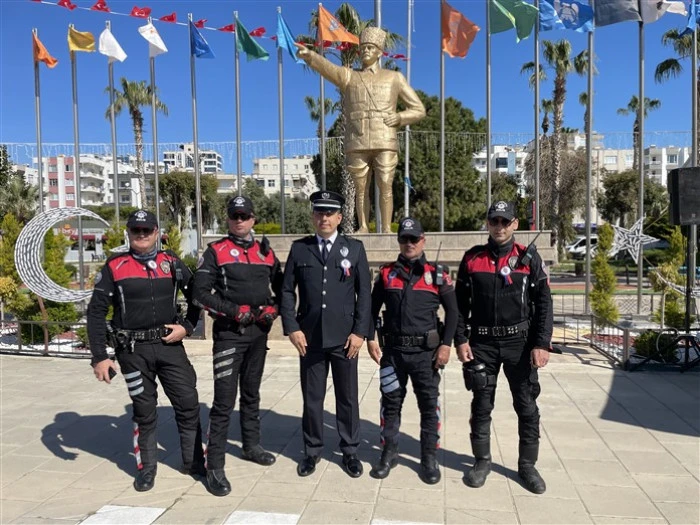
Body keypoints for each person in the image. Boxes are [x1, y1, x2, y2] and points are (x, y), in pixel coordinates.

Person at [87, 209, 204, 492]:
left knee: (188, 403)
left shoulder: (171, 263)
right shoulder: (115, 266)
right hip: (133, 351)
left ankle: (194, 463)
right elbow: (96, 312)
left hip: (169, 346)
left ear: (156, 233)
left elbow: (197, 296)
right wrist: (100, 357)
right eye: (136, 230)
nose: (141, 235)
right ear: (128, 233)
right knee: (144, 411)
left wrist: (187, 327)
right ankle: (147, 469)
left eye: (146, 230)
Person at [454, 201, 553, 494]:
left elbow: (544, 303)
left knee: (527, 406)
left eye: (504, 221)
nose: (499, 227)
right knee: (481, 405)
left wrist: (541, 343)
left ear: (515, 224)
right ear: (487, 223)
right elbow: (459, 305)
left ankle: (527, 466)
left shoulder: (527, 258)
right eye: (494, 221)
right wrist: (460, 339)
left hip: (519, 345)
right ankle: (481, 461)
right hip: (482, 344)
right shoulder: (472, 258)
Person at [192, 196, 283, 497]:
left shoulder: (265, 252)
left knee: (252, 394)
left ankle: (251, 445)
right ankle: (214, 466)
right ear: (228, 219)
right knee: (223, 401)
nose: (239, 221)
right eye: (234, 216)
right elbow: (200, 293)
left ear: (253, 219)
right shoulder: (215, 251)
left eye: (244, 216)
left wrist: (274, 309)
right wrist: (233, 311)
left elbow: (283, 289)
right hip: (230, 335)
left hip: (258, 333)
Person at [295, 27, 425, 233]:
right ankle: (363, 226)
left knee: (385, 184)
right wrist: (310, 56)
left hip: (385, 138)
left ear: (379, 52)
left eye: (370, 47)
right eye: (363, 47)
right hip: (357, 139)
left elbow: (419, 110)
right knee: (360, 187)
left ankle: (386, 228)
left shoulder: (394, 77)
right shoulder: (349, 75)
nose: (365, 51)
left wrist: (400, 117)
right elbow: (328, 68)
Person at [280, 190, 371, 478]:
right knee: (312, 398)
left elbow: (364, 294)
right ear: (313, 216)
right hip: (310, 339)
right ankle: (312, 451)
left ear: (340, 217)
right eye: (319, 212)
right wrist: (292, 327)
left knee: (348, 398)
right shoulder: (300, 249)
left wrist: (360, 332)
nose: (324, 218)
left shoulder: (354, 249)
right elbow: (286, 291)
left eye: (330, 213)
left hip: (345, 339)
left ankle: (350, 451)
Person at [366, 217, 458, 484]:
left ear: (423, 240)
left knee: (429, 407)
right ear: (399, 241)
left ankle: (429, 457)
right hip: (393, 355)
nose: (409, 243)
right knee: (390, 404)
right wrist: (370, 338)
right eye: (404, 239)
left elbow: (453, 313)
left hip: (425, 356)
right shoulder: (387, 274)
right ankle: (389, 453)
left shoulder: (437, 274)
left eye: (414, 239)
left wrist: (446, 344)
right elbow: (371, 309)